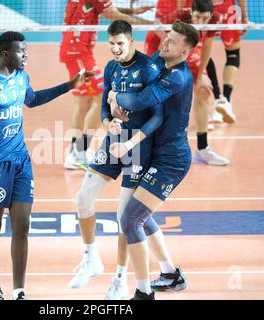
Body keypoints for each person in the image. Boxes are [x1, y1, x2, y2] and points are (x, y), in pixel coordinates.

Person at [0, 31, 89, 300]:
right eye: (21, 51)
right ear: (6, 53)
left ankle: (19, 291)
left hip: (21, 162)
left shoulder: (21, 76)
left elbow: (32, 99)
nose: (26, 55)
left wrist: (69, 85)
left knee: (22, 224)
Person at [70, 20, 172, 300]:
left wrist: (130, 140)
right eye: (111, 44)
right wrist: (106, 122)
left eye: (120, 44)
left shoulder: (149, 69)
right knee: (82, 198)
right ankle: (91, 259)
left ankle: (120, 279)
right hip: (113, 141)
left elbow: (157, 116)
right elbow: (105, 104)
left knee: (124, 217)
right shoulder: (112, 67)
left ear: (131, 41)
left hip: (138, 147)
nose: (115, 49)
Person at [107, 20, 199, 300]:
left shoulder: (178, 76)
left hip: (171, 160)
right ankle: (171, 274)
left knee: (131, 219)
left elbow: (140, 100)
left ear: (184, 53)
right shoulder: (162, 64)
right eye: (167, 37)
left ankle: (143, 292)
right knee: (138, 215)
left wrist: (112, 94)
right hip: (154, 152)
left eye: (172, 42)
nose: (165, 42)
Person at [60, 0, 154, 170]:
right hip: (78, 52)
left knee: (83, 103)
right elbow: (113, 15)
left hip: (73, 51)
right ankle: (79, 151)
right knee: (101, 98)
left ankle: (75, 153)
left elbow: (106, 10)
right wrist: (151, 24)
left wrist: (133, 11)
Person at [145, 0, 229, 165]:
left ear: (211, 15)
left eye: (205, 18)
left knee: (203, 90)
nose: (201, 22)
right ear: (191, 12)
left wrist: (201, 76)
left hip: (186, 49)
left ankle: (203, 149)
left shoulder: (213, 21)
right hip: (160, 45)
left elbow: (206, 48)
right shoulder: (179, 17)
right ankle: (157, 148)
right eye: (197, 17)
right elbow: (157, 27)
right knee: (162, 94)